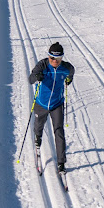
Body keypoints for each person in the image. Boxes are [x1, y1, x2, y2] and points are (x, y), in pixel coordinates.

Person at [29, 42, 75, 172]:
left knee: (59, 132)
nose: (54, 61)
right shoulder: (42, 65)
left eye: (58, 59)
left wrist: (69, 80)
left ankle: (61, 163)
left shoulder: (66, 68)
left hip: (57, 104)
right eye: (52, 58)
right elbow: (30, 79)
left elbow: (71, 72)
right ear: (48, 57)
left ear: (62, 58)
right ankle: (38, 140)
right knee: (38, 126)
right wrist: (37, 76)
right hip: (41, 103)